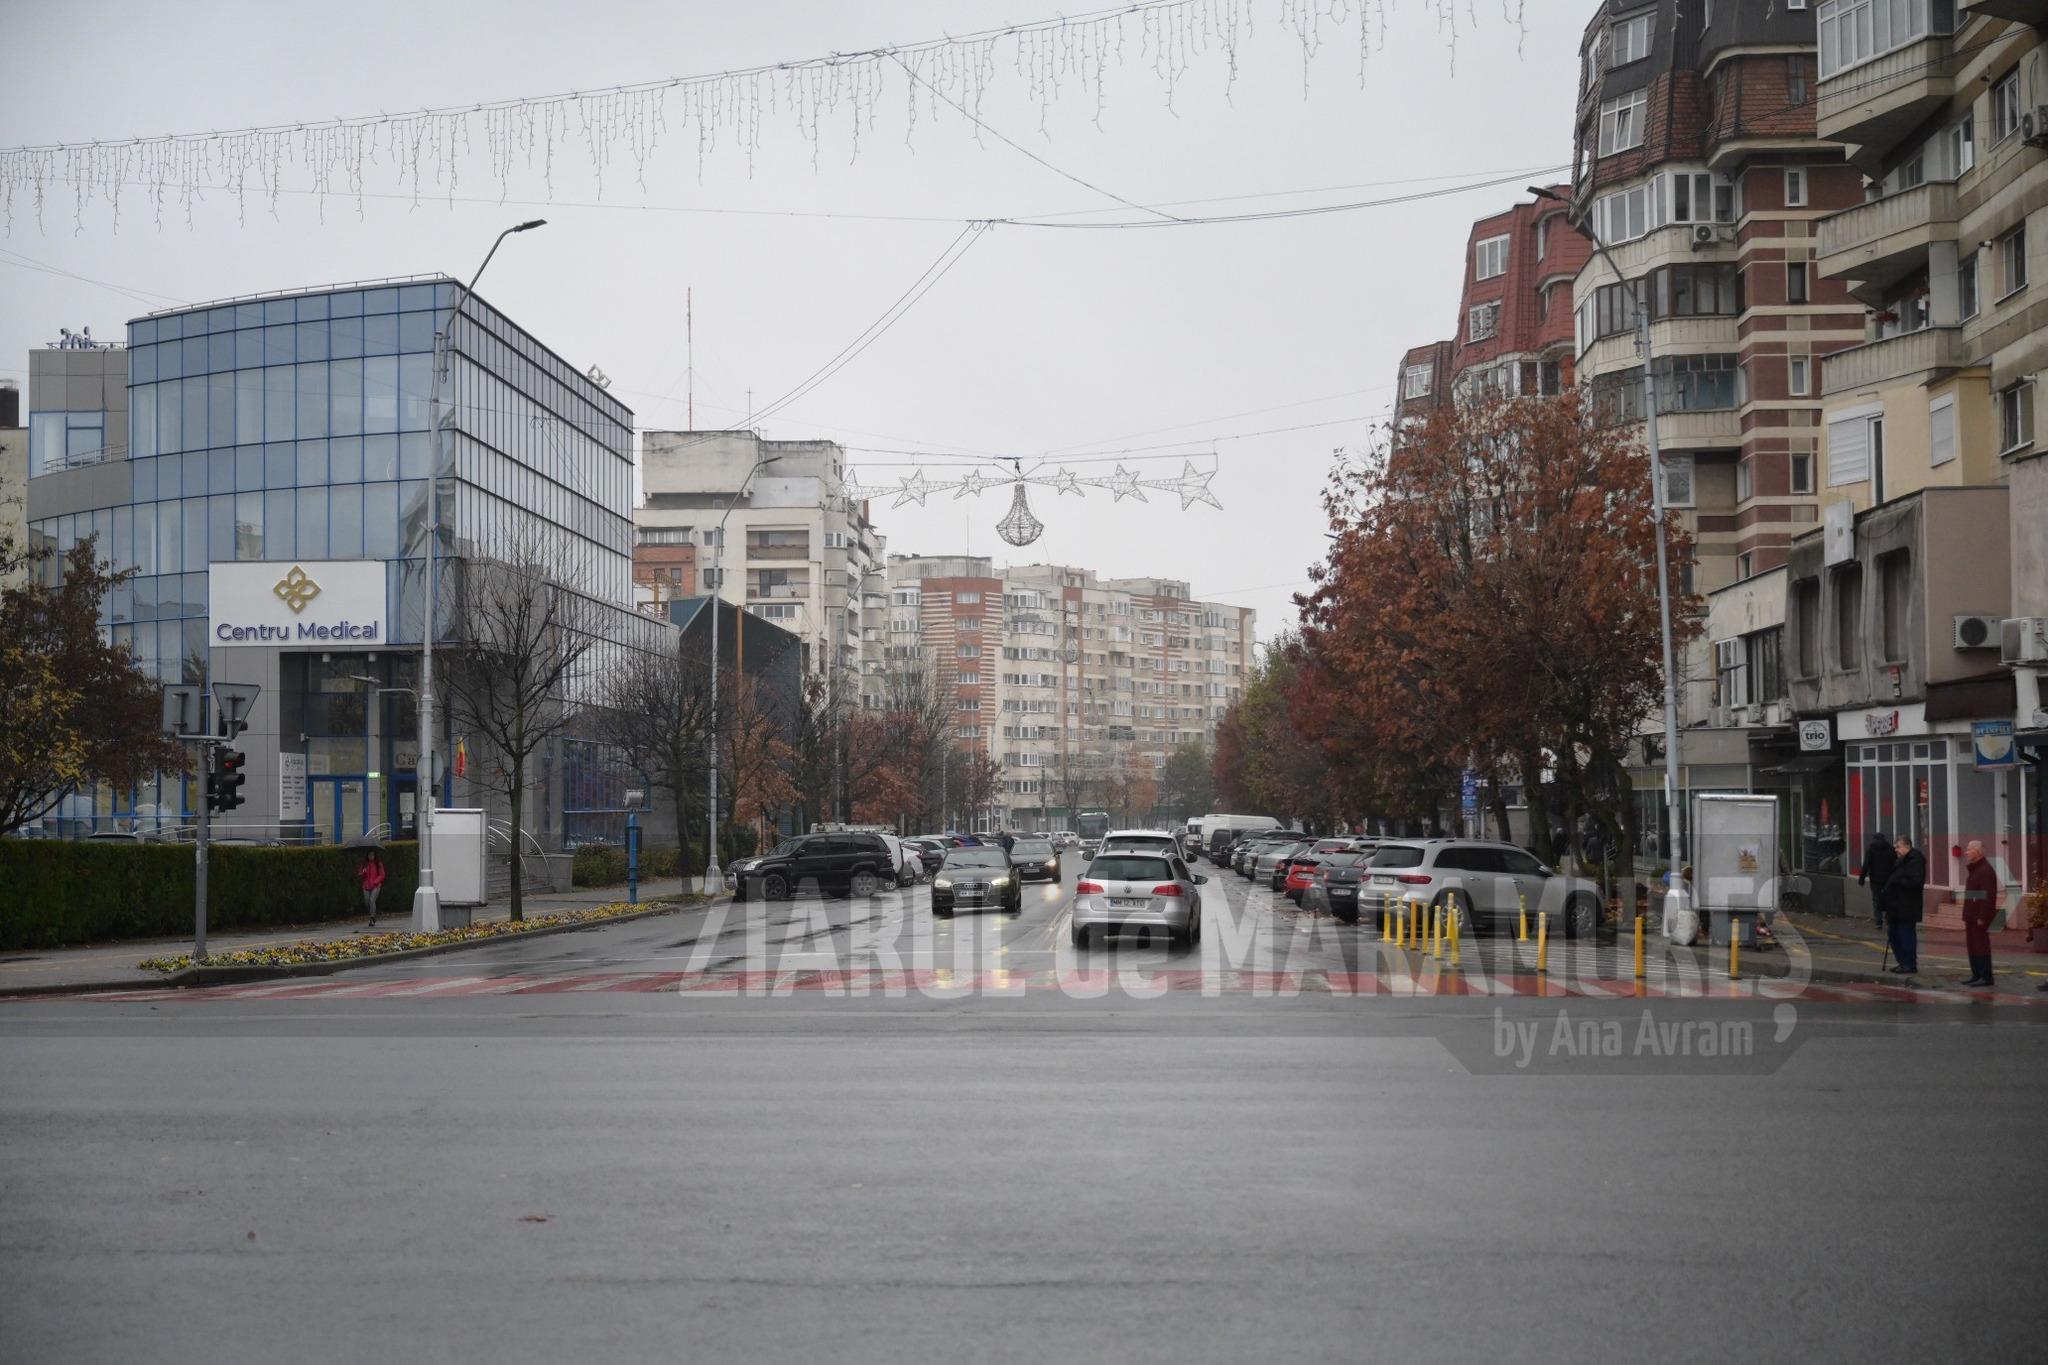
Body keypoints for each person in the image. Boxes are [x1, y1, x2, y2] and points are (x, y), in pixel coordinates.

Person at [1879, 835, 1925, 975]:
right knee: (1894, 934)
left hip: (1906, 906)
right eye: (1895, 847)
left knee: (1905, 935)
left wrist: (1897, 883)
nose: (1896, 850)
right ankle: (1902, 962)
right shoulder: (1901, 861)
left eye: (1898, 847)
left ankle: (1909, 963)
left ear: (1907, 846)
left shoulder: (1915, 860)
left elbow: (1916, 882)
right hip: (1896, 906)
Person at [1957, 840, 2001, 989]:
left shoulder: (1985, 870)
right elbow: (1974, 895)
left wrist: (1983, 916)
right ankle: (1976, 974)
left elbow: (1989, 896)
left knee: (1981, 945)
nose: (1966, 852)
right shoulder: (1975, 870)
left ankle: (1985, 976)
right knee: (1972, 945)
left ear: (1978, 851)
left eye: (1969, 849)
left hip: (1979, 917)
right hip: (1971, 916)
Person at [1857, 833, 1896, 928]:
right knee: (1888, 898)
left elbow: (1866, 864)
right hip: (1888, 879)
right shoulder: (1891, 849)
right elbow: (1895, 864)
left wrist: (1861, 879)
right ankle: (1889, 918)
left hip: (1875, 879)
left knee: (1876, 899)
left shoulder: (1871, 848)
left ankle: (1879, 921)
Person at [358, 849, 387, 929]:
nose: (371, 857)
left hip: (376, 886)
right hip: (366, 886)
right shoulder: (364, 864)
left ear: (375, 856)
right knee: (367, 902)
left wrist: (376, 882)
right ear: (367, 856)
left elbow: (382, 875)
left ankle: (372, 918)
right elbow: (360, 875)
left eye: (372, 855)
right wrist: (363, 873)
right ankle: (373, 914)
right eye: (369, 855)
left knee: (372, 900)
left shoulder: (378, 864)